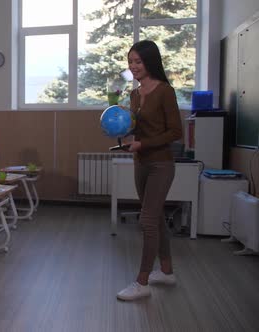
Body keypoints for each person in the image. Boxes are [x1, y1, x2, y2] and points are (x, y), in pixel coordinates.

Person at [116, 40, 183, 301]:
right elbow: (138, 129)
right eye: (130, 62)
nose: (133, 67)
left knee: (147, 221)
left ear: (150, 62)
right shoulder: (134, 94)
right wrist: (123, 134)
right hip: (141, 162)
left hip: (161, 164)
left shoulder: (165, 91)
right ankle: (166, 271)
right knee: (154, 218)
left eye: (138, 62)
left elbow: (175, 132)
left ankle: (142, 282)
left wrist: (144, 143)